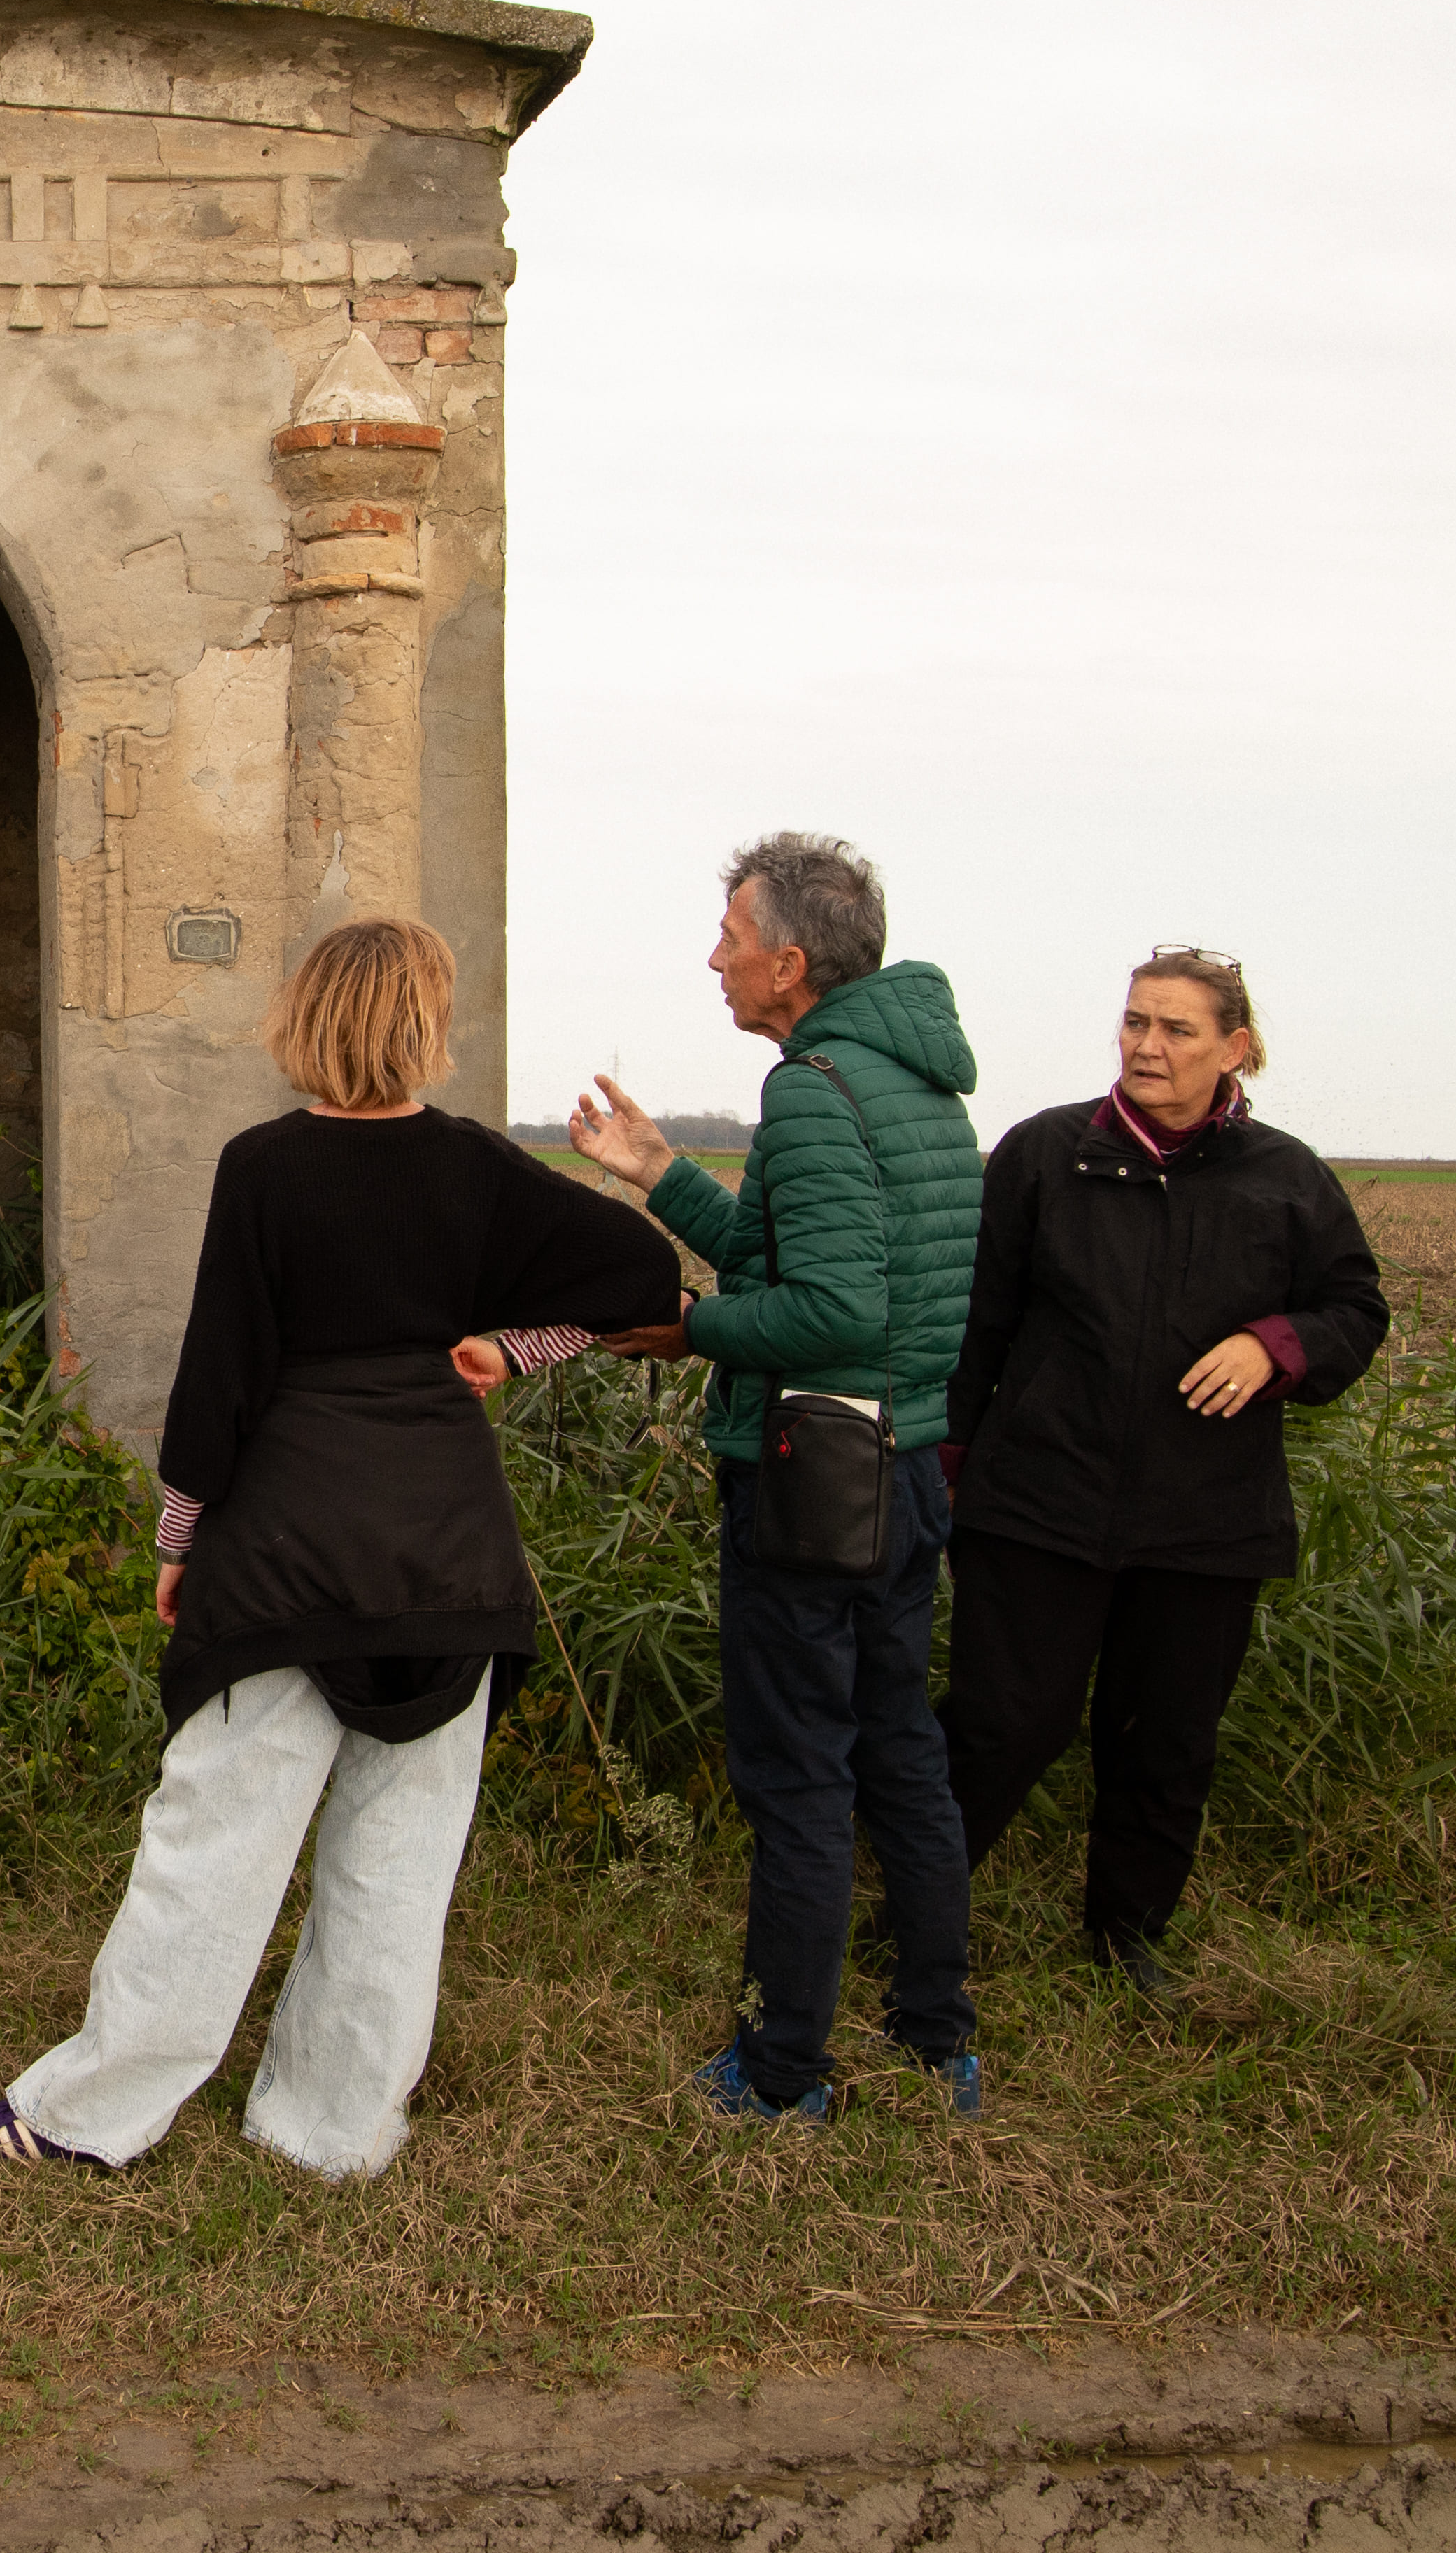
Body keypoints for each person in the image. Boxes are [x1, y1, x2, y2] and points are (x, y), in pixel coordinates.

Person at [0, 917, 681, 2181]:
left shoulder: (266, 1166)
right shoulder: (477, 1171)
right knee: (400, 1864)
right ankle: (333, 2135)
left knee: (212, 1846)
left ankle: (83, 2118)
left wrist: (181, 1536)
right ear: (424, 1025)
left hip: (286, 1549)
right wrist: (519, 1348)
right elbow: (644, 1277)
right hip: (447, 1558)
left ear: (308, 1018)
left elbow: (220, 1372)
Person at [569, 832, 985, 2122]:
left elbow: (824, 1313)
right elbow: (784, 1247)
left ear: (791, 964)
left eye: (733, 938)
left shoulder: (811, 1092)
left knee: (799, 1773)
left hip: (815, 1485)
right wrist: (659, 1179)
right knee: (901, 1750)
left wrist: (685, 1330)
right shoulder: (907, 1080)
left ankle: (783, 2069)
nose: (716, 958)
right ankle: (936, 2036)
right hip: (907, 1470)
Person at [938, 948, 1390, 1993]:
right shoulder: (1047, 1154)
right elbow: (978, 1326)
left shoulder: (1285, 1178)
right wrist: (949, 1466)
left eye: (1177, 1029)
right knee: (1004, 1725)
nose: (1147, 1045)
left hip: (1206, 1520)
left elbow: (1355, 1311)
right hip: (1039, 1503)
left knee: (1165, 1739)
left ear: (1236, 1049)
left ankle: (1127, 1935)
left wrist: (1276, 1345)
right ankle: (919, 1909)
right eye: (1136, 1022)